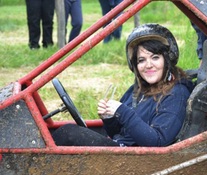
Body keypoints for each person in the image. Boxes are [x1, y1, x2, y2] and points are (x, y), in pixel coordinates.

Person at [52, 23, 194, 147]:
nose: (148, 65)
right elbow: (118, 133)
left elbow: (157, 141)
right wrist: (109, 118)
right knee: (67, 131)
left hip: (141, 161)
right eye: (141, 60)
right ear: (135, 65)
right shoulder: (137, 90)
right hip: (122, 151)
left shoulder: (176, 94)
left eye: (155, 57)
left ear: (167, 59)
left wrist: (123, 112)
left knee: (69, 133)